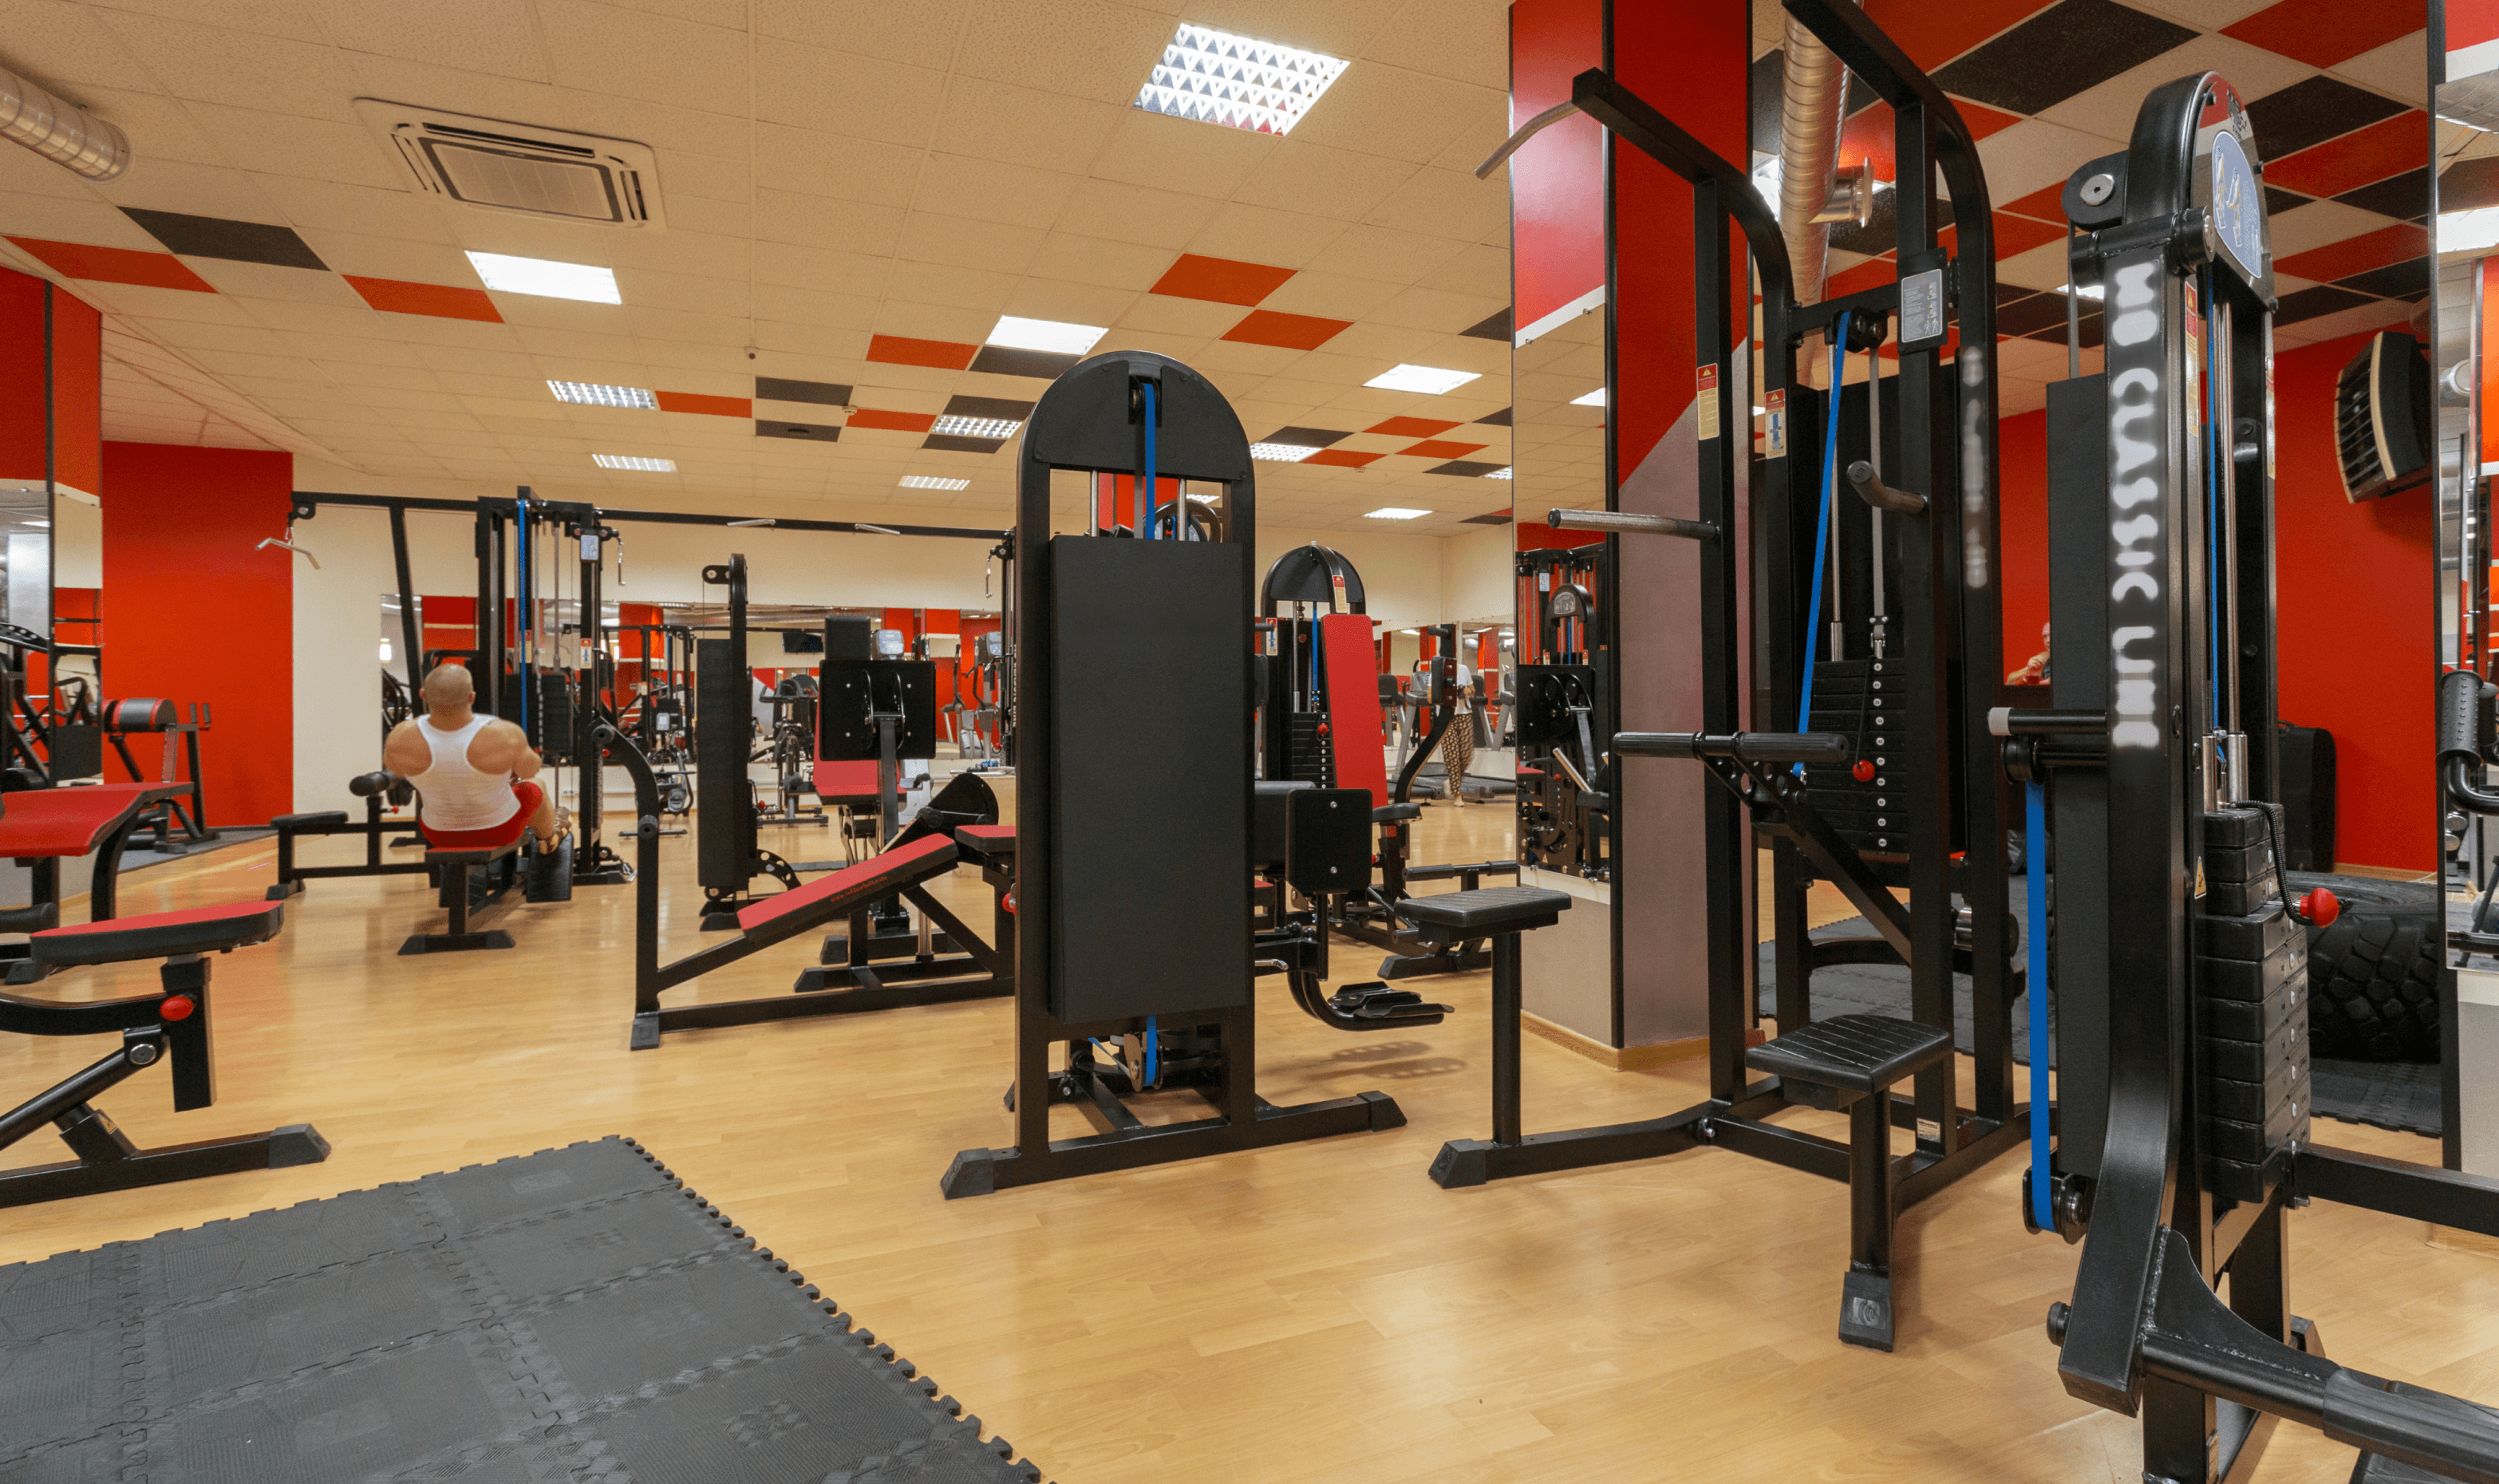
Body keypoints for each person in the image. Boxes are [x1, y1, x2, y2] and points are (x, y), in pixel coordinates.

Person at [383, 663, 568, 890]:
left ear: (423, 695)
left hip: (439, 834)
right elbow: (530, 770)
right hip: (500, 830)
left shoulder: (400, 736)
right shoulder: (504, 733)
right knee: (534, 786)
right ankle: (547, 841)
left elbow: (396, 771)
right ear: (472, 697)